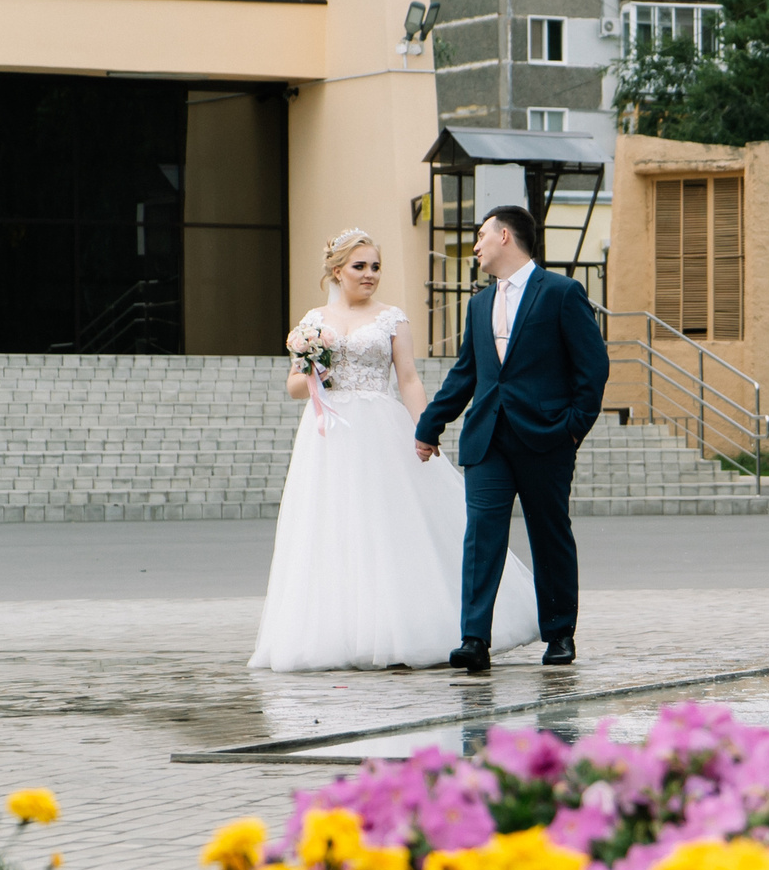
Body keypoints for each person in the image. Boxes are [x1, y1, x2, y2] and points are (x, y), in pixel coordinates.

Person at [249, 230, 542, 671]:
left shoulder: (392, 319)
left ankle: (411, 627)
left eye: (375, 267)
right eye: (360, 267)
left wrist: (425, 428)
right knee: (330, 530)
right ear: (337, 271)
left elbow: (408, 379)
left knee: (388, 528)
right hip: (327, 437)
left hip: (379, 429)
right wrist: (318, 368)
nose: (370, 275)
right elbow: (294, 386)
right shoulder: (313, 322)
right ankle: (338, 634)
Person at [414, 204, 609, 673]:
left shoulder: (562, 292)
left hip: (547, 439)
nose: (475, 246)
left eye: (481, 236)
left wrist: (571, 429)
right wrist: (429, 425)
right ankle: (474, 638)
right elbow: (467, 372)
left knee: (549, 535)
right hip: (488, 439)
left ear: (505, 236)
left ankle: (559, 634)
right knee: (481, 536)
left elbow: (593, 368)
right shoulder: (479, 303)